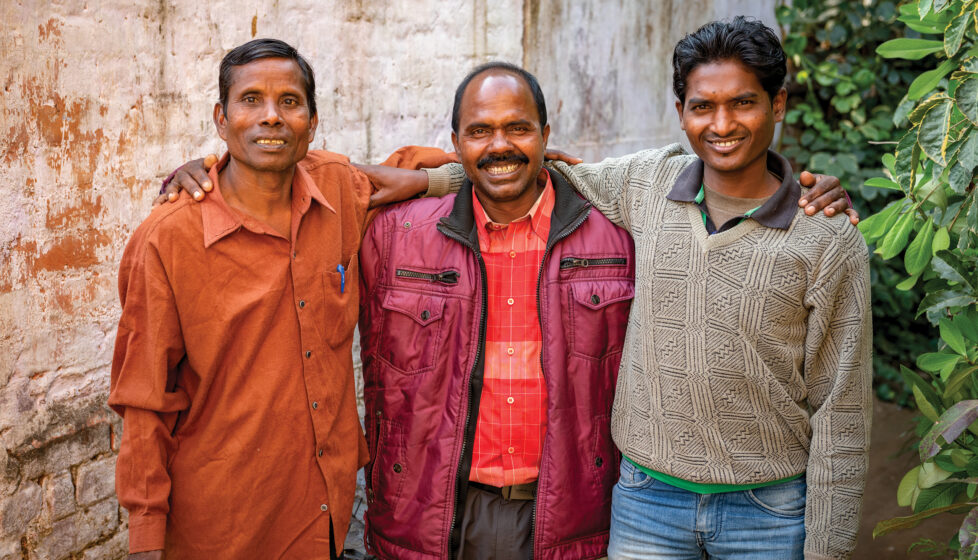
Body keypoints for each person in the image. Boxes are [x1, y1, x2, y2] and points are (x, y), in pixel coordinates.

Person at [421, 17, 873, 560]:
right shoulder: (649, 185)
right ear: (681, 113)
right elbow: (531, 171)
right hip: (645, 504)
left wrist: (828, 551)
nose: (722, 123)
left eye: (743, 103)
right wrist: (431, 180)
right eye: (703, 106)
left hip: (770, 512)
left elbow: (842, 412)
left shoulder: (826, 238)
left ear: (777, 105)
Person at [109, 38, 382, 559]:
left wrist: (528, 164)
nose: (272, 117)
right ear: (221, 118)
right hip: (225, 522)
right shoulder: (169, 238)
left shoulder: (339, 193)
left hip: (325, 509)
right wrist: (145, 535)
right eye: (251, 99)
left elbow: (429, 173)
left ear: (312, 120)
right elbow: (144, 399)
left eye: (290, 102)